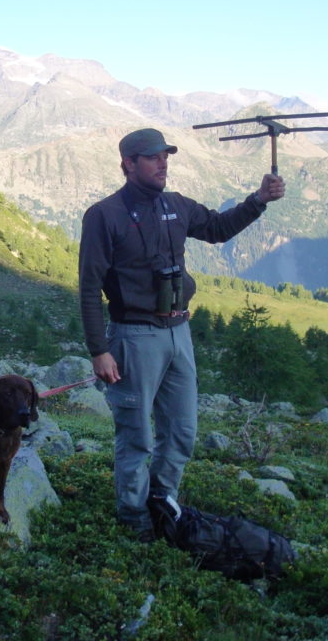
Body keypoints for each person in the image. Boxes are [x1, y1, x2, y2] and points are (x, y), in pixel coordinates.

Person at [78, 127, 286, 541]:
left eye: (166, 156)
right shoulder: (104, 215)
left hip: (179, 331)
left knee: (182, 431)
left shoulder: (177, 205)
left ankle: (161, 502)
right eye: (153, 157)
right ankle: (133, 517)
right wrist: (99, 350)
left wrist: (258, 201)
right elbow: (88, 286)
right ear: (128, 163)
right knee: (136, 433)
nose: (163, 163)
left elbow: (219, 229)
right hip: (134, 336)